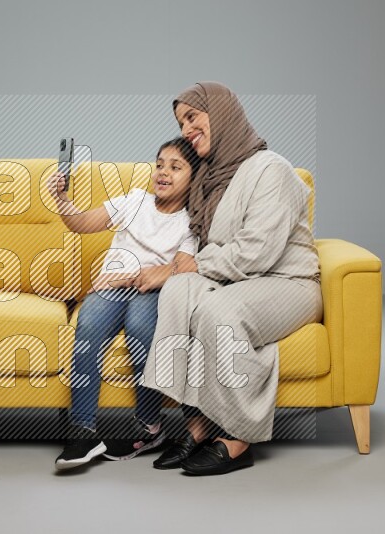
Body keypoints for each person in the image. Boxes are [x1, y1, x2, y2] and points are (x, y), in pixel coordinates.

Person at [142, 82, 323, 476]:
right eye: (180, 122)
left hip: (287, 281)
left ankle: (239, 437)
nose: (186, 129)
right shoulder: (209, 177)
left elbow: (258, 251)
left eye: (193, 116)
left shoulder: (272, 169)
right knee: (178, 291)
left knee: (218, 311)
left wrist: (190, 265)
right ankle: (198, 423)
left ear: (222, 113)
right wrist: (175, 270)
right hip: (235, 279)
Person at [48, 137, 200, 470]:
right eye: (159, 165)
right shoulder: (135, 201)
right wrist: (61, 198)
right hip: (113, 289)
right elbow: (81, 222)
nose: (163, 172)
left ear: (194, 178)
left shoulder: (191, 221)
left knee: (140, 326)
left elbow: (184, 266)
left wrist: (124, 277)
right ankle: (82, 429)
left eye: (175, 167)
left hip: (154, 290)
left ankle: (149, 427)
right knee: (88, 323)